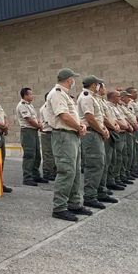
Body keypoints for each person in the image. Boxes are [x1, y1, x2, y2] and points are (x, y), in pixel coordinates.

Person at [46, 68, 92, 222]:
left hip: (72, 135)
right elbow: (64, 116)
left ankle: (74, 203)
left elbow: (72, 116)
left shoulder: (64, 94)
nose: (74, 81)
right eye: (73, 79)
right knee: (66, 171)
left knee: (76, 171)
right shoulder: (57, 93)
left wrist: (81, 126)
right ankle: (59, 208)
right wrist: (79, 127)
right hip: (63, 136)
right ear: (68, 79)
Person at [76, 76, 110, 209]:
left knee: (100, 163)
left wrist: (103, 129)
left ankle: (100, 192)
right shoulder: (86, 97)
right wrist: (102, 130)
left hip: (96, 132)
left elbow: (99, 117)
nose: (99, 86)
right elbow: (90, 117)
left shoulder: (93, 97)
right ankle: (90, 197)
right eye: (98, 84)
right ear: (94, 85)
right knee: (94, 164)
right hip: (91, 134)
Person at [15, 87, 47, 186]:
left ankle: (35, 175)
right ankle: (27, 177)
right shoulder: (22, 105)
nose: (32, 96)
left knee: (37, 154)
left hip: (33, 131)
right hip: (27, 131)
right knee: (29, 155)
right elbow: (29, 119)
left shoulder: (30, 105)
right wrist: (39, 126)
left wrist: (39, 124)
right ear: (25, 95)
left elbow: (34, 117)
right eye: (30, 94)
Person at [95, 84, 119, 202]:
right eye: (103, 87)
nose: (105, 89)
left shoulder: (102, 101)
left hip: (110, 130)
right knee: (103, 162)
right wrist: (112, 127)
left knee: (109, 160)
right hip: (105, 131)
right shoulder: (95, 100)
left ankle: (105, 185)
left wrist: (115, 125)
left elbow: (109, 116)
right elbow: (102, 118)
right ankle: (101, 188)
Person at [106, 90, 129, 191]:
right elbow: (113, 120)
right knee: (115, 158)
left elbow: (123, 118)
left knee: (121, 156)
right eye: (118, 96)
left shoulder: (117, 107)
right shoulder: (109, 106)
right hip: (116, 133)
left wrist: (128, 125)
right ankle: (112, 179)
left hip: (123, 132)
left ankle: (119, 177)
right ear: (112, 97)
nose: (120, 98)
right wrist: (124, 126)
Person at [39, 93, 57, 181]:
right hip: (47, 133)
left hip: (51, 133)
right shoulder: (46, 108)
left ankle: (53, 172)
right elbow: (49, 121)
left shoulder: (49, 107)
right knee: (48, 155)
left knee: (53, 154)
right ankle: (47, 173)